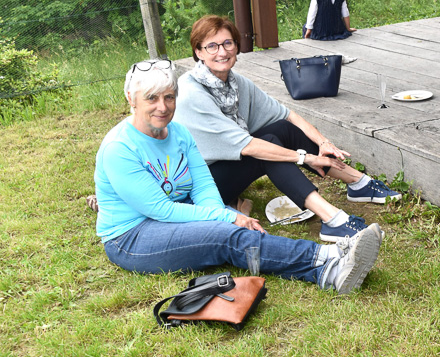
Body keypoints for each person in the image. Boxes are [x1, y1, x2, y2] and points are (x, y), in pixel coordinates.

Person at [95, 59, 382, 294]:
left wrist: (222, 214)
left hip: (175, 214)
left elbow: (203, 185)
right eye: (152, 98)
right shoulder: (120, 148)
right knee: (225, 236)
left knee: (228, 229)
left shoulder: (178, 132)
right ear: (131, 98)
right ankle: (328, 263)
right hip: (133, 236)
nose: (163, 106)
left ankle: (330, 263)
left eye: (169, 97)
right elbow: (162, 210)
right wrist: (227, 217)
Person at [173, 15, 401, 243]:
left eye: (227, 43)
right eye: (212, 46)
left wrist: (323, 142)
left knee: (281, 128)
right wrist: (306, 158)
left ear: (236, 46)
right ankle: (333, 220)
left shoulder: (234, 82)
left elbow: (287, 115)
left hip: (223, 168)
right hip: (198, 189)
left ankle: (358, 183)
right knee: (265, 149)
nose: (222, 52)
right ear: (199, 52)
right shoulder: (191, 93)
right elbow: (248, 146)